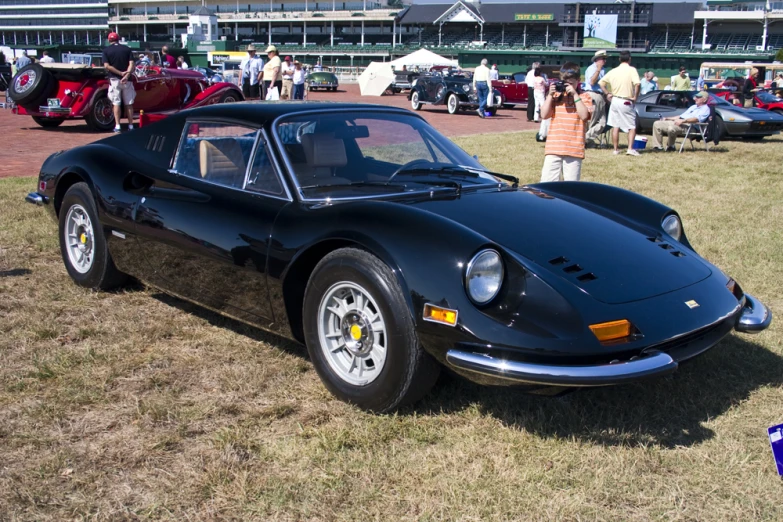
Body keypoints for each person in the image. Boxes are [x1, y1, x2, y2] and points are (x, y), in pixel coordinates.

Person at [539, 62, 592, 182]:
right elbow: (544, 115)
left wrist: (574, 94)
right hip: (554, 147)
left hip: (574, 149)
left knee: (570, 187)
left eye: (571, 83)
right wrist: (550, 95)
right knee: (547, 184)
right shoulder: (557, 95)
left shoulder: (585, 97)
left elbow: (584, 116)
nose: (567, 86)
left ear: (578, 81)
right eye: (564, 83)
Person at [598, 50, 641, 156]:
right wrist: (635, 96)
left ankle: (615, 149)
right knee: (631, 126)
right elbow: (638, 84)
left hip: (615, 99)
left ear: (619, 59)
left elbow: (601, 83)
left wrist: (607, 93)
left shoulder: (614, 71)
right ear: (629, 59)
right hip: (626, 100)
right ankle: (630, 148)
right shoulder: (632, 70)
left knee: (615, 125)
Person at [101, 32, 135, 133]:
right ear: (118, 39)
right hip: (127, 80)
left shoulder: (106, 51)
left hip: (114, 79)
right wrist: (127, 74)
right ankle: (131, 125)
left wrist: (120, 73)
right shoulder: (127, 49)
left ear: (109, 40)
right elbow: (132, 64)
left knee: (116, 103)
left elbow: (107, 66)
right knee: (129, 103)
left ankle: (118, 125)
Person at [583, 50, 608, 146]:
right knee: (592, 121)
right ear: (597, 59)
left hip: (600, 96)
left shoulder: (603, 70)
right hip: (592, 95)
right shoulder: (592, 68)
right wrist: (598, 69)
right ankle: (585, 140)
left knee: (602, 122)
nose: (605, 61)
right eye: (603, 59)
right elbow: (592, 82)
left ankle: (586, 139)